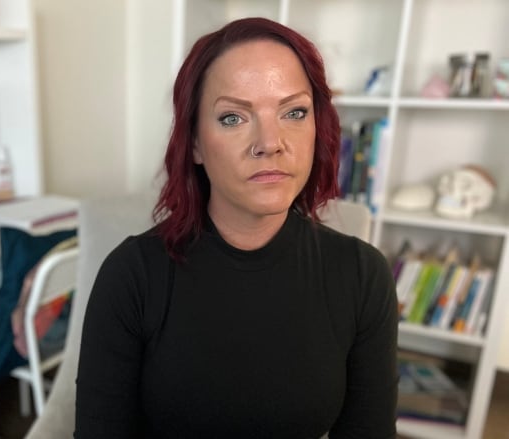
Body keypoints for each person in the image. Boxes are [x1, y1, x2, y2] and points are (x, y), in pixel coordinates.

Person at [75, 17, 398, 438]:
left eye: (294, 112)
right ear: (193, 143)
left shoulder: (363, 276)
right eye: (233, 118)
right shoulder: (132, 276)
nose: (270, 141)